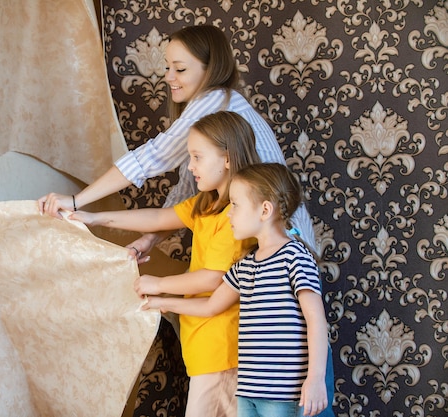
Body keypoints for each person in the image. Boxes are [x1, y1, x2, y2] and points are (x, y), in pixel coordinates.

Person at [37, 24, 315, 254]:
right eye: (167, 67)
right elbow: (185, 196)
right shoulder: (212, 119)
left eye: (179, 69)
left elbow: (151, 158)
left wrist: (76, 201)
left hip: (284, 241)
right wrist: (150, 239)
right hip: (273, 240)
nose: (169, 77)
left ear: (210, 70)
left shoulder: (214, 101)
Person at [70, 111, 261, 417]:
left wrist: (159, 286)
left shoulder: (233, 217)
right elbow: (159, 218)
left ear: (227, 158)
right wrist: (92, 217)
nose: (190, 166)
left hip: (224, 352)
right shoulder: (207, 205)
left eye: (197, 157)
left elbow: (214, 278)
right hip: (205, 350)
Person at [140, 162, 332, 417]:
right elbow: (210, 305)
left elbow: (316, 320)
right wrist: (161, 301)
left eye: (236, 205)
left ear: (265, 210)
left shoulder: (295, 257)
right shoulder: (246, 266)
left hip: (284, 392)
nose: (229, 214)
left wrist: (316, 379)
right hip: (248, 391)